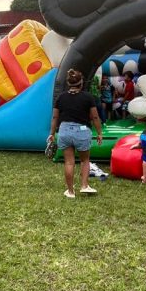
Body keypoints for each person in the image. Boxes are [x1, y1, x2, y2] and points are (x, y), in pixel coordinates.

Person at [48, 68, 104, 198]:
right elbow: (95, 117)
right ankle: (84, 186)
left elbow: (55, 117)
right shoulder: (88, 97)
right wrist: (99, 133)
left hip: (64, 131)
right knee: (85, 160)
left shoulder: (61, 97)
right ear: (81, 83)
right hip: (82, 131)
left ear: (68, 83)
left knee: (69, 162)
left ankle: (70, 191)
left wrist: (52, 133)